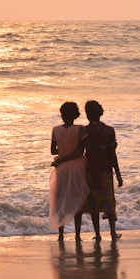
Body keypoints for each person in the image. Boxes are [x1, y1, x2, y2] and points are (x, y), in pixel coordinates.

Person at [82, 100, 123, 242]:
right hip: (106, 171)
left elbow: (82, 152)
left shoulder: (84, 131)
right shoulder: (109, 130)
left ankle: (98, 234)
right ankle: (112, 233)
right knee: (109, 202)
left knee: (93, 203)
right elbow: (113, 155)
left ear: (87, 114)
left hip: (90, 172)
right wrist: (118, 174)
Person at [49, 102, 90, 241]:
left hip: (61, 168)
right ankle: (77, 235)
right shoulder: (81, 129)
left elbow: (53, 150)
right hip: (77, 167)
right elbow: (80, 151)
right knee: (76, 200)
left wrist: (62, 156)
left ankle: (60, 235)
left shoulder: (55, 130)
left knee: (61, 200)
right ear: (76, 114)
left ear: (62, 114)